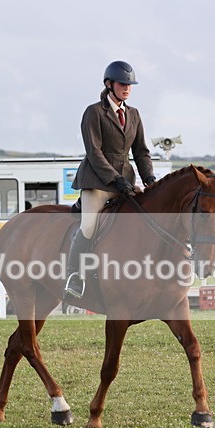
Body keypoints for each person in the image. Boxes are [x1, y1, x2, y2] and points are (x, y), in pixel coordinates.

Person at [64, 60, 156, 298]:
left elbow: (141, 151)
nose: (127, 88)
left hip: (124, 182)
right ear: (109, 84)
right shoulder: (94, 112)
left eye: (130, 84)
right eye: (122, 83)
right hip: (97, 181)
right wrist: (115, 179)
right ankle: (75, 275)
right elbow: (94, 153)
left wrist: (149, 178)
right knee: (89, 226)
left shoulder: (134, 114)